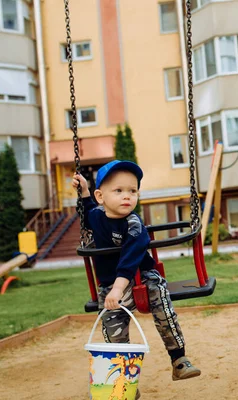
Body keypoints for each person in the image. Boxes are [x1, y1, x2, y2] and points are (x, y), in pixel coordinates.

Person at [72, 160, 201, 389]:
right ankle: (124, 380)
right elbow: (87, 211)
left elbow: (130, 259)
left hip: (142, 277)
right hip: (110, 284)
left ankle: (179, 359)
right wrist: (83, 191)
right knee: (112, 328)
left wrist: (119, 288)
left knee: (161, 298)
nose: (127, 197)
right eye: (119, 191)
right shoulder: (97, 217)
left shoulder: (134, 224)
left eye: (132, 191)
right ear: (101, 196)